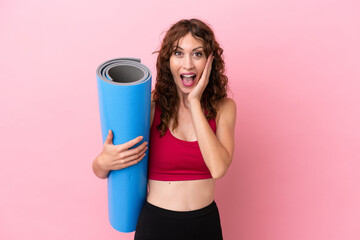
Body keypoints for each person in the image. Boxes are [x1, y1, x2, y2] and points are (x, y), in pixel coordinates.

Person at [92, 18, 236, 240]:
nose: (187, 64)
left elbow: (218, 169)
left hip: (205, 225)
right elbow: (102, 169)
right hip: (156, 226)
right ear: (168, 60)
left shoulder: (223, 108)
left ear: (210, 61)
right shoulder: (149, 107)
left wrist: (195, 101)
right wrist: (103, 162)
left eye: (197, 54)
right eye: (178, 53)